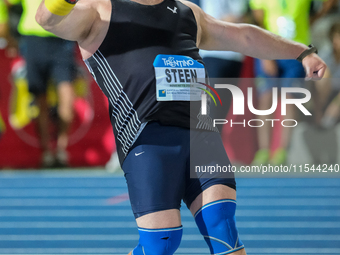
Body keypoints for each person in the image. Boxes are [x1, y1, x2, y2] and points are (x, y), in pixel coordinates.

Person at [35, 0, 326, 254]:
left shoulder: (187, 12)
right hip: (147, 138)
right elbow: (47, 19)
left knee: (224, 231)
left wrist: (301, 52)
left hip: (202, 137)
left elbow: (244, 36)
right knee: (161, 244)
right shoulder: (99, 11)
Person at [6, 0, 76, 167]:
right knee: (40, 100)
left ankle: (61, 149)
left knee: (68, 99)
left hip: (62, 38)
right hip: (34, 39)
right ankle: (47, 153)